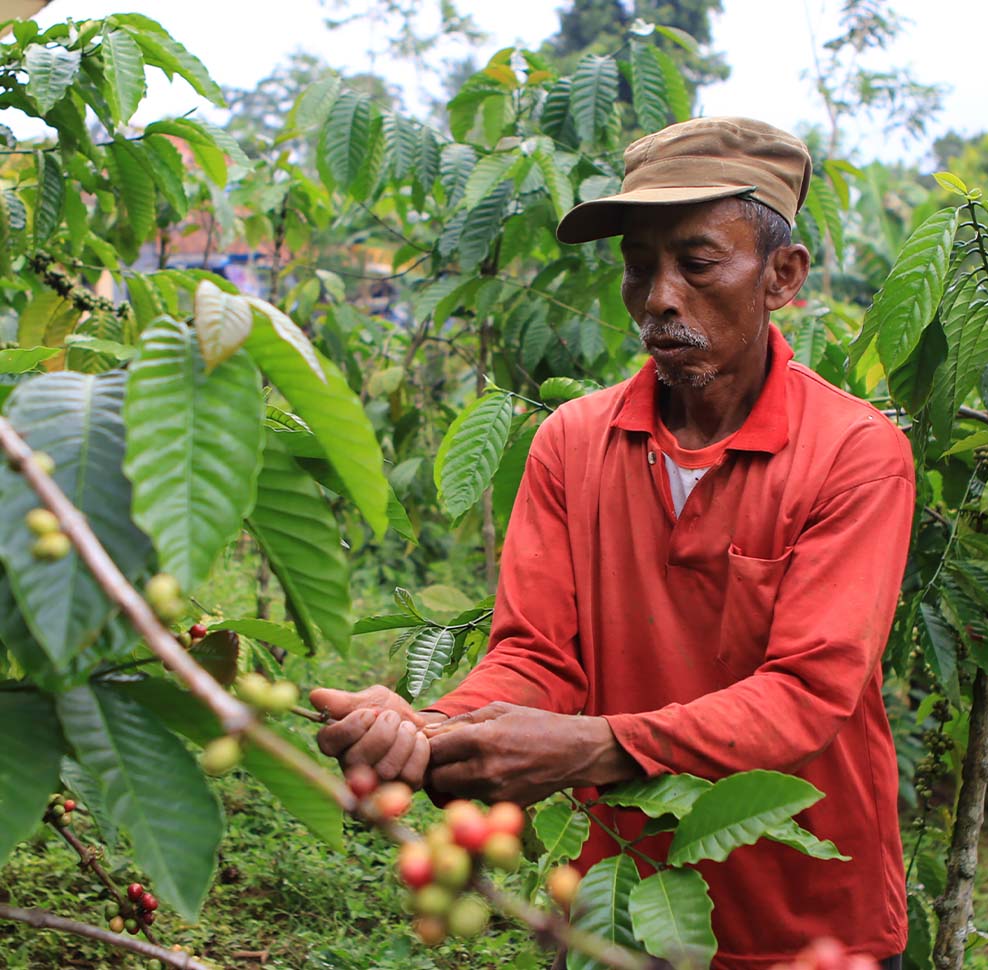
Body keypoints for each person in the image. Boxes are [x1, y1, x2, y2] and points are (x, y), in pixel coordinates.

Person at [312, 117, 914, 970]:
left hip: (811, 921)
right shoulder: (573, 442)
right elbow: (538, 656)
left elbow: (807, 694)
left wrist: (594, 745)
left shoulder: (854, 453)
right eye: (640, 267)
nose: (659, 297)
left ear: (783, 276)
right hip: (623, 904)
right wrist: (432, 726)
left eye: (697, 264)